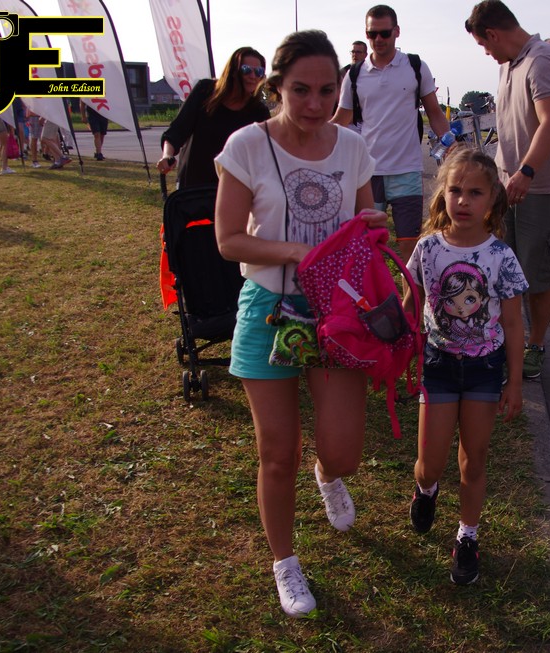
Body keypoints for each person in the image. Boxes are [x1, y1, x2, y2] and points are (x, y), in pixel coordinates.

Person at [214, 30, 387, 617]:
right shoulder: (247, 145)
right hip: (269, 308)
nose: (316, 103)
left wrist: (372, 224)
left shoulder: (352, 146)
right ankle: (285, 563)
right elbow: (228, 239)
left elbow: (363, 216)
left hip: (336, 315)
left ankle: (328, 475)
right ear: (276, 88)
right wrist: (298, 253)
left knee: (344, 452)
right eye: (301, 90)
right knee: (277, 453)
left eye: (327, 90)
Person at [404, 148, 526, 585]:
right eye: (455, 190)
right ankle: (426, 490)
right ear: (443, 194)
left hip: (483, 370)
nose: (463, 201)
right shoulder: (427, 249)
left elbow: (513, 323)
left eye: (475, 193)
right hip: (438, 365)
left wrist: (514, 382)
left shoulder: (501, 257)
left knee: (474, 460)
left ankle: (467, 536)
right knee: (430, 463)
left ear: (493, 199)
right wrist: (400, 345)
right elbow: (411, 303)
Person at [465, 0, 550, 380]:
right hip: (506, 187)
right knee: (502, 270)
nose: (486, 52)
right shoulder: (509, 64)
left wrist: (526, 172)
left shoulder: (541, 60)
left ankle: (537, 345)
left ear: (493, 34)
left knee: (538, 275)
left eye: (484, 44)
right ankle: (504, 340)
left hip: (541, 190)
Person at [332, 4, 451, 262]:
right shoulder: (354, 75)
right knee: (367, 248)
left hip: (406, 170)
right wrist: (306, 142)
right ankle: (375, 290)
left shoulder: (416, 67)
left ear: (397, 31)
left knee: (410, 250)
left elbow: (434, 113)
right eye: (371, 34)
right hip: (367, 174)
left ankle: (410, 291)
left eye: (384, 33)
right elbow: (341, 120)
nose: (378, 39)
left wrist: (453, 147)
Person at [158, 46, 271, 188]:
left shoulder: (259, 111)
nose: (253, 76)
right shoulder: (204, 91)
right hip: (194, 185)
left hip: (234, 188)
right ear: (233, 71)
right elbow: (177, 131)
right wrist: (167, 155)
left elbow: (267, 153)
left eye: (259, 72)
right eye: (246, 70)